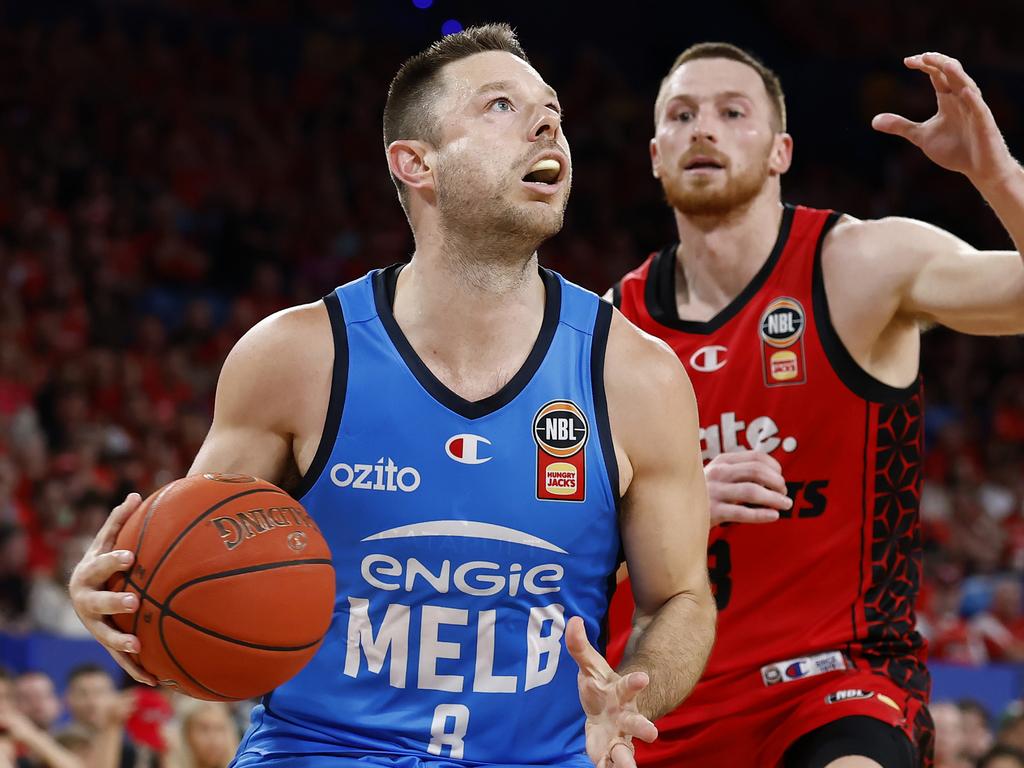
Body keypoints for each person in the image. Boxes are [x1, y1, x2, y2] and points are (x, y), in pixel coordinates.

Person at [68, 24, 716, 768]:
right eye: (501, 106)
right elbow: (189, 576)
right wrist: (126, 612)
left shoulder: (637, 375)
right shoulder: (297, 357)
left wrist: (635, 688)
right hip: (320, 751)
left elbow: (679, 600)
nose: (547, 125)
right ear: (416, 163)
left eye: (553, 111)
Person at [607, 42, 1024, 768]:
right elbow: (558, 543)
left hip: (833, 685)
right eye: (681, 115)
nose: (703, 128)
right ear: (654, 153)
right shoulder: (614, 328)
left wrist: (998, 176)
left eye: (732, 113)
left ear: (780, 151)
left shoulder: (859, 265)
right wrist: (678, 507)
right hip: (660, 705)